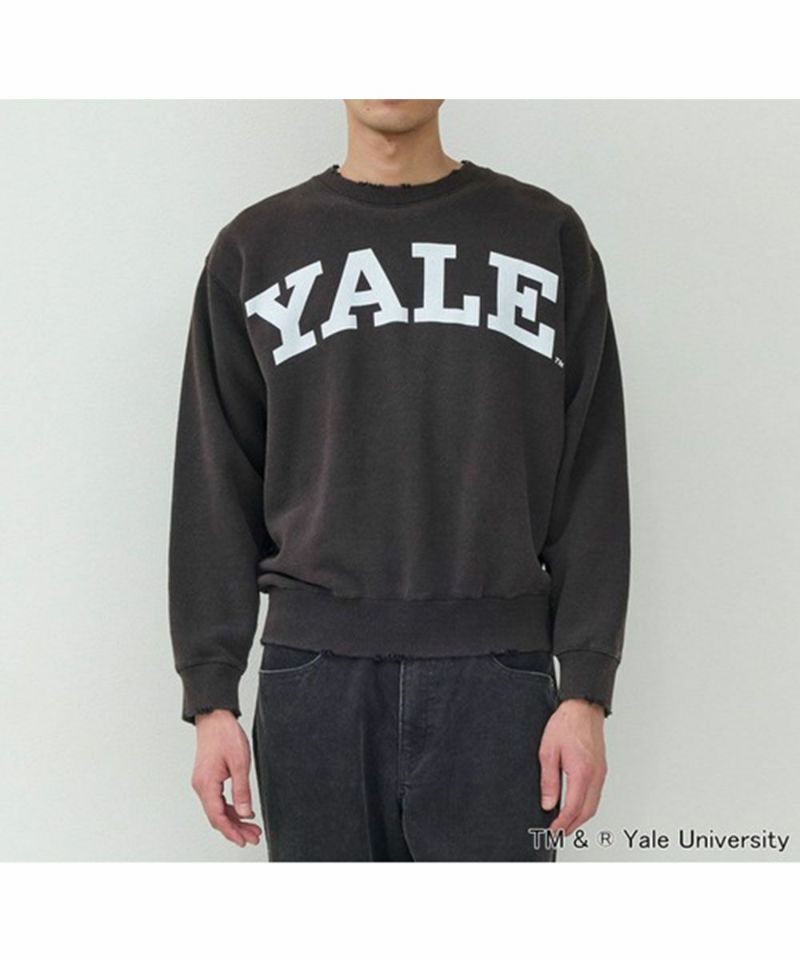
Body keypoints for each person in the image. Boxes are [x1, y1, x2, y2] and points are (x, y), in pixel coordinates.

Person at [168, 99, 631, 861]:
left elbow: (592, 474)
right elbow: (215, 476)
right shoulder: (256, 247)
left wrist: (585, 688)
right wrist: (211, 695)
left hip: (499, 678)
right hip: (314, 680)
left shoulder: (544, 236)